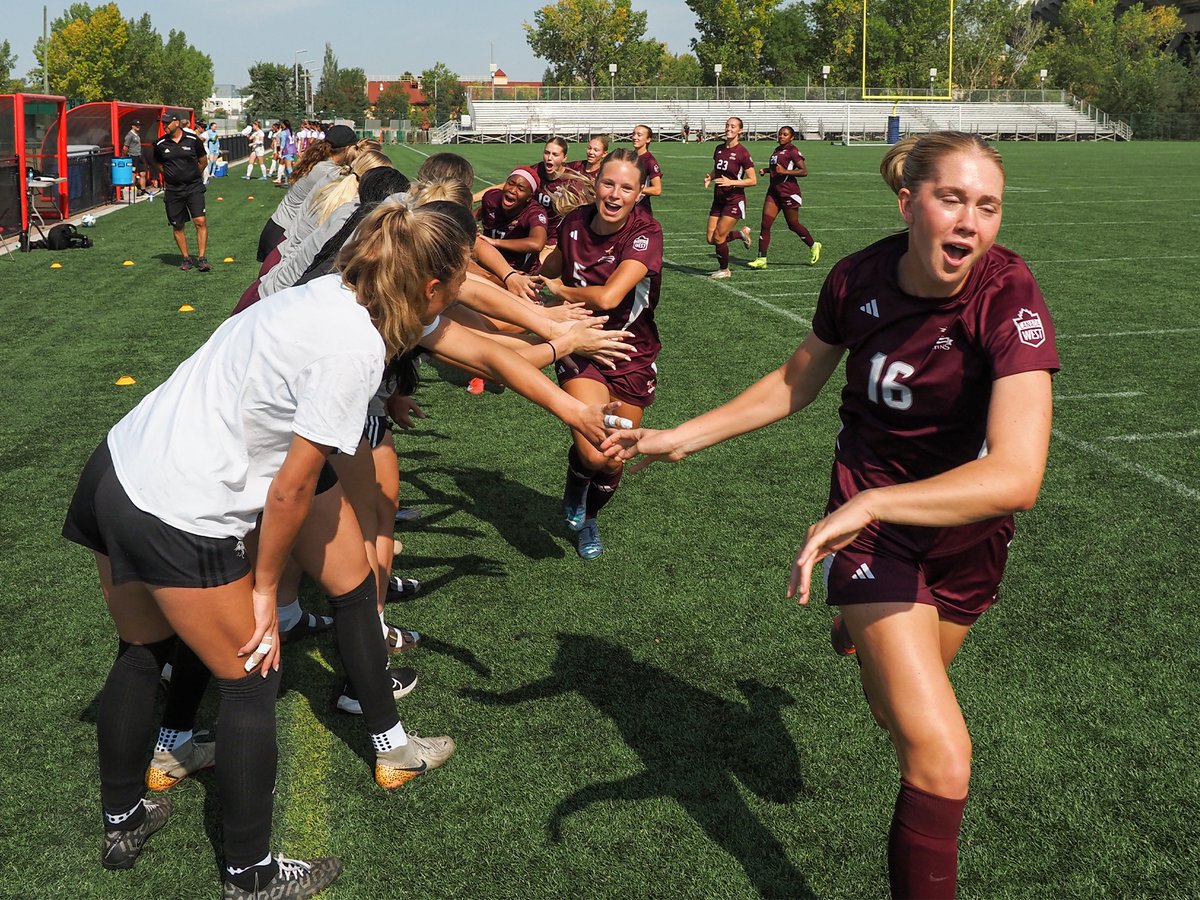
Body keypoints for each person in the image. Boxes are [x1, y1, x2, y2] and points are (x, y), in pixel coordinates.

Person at [603, 132, 1059, 899]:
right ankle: (868, 610)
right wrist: (683, 436)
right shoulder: (857, 280)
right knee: (940, 755)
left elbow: (1017, 477)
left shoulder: (1010, 294)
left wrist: (882, 501)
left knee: (892, 710)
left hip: (968, 531)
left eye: (988, 207)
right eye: (952, 199)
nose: (971, 224)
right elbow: (796, 380)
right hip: (871, 530)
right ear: (908, 201)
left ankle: (861, 627)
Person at [59, 199, 502, 898]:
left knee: (142, 651)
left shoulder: (329, 290)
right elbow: (294, 489)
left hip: (116, 470)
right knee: (252, 677)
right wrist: (264, 589)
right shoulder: (355, 349)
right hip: (179, 509)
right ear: (430, 290)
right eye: (462, 280)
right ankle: (252, 876)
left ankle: (124, 820)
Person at [535, 148, 663, 560]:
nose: (614, 194)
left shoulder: (646, 233)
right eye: (608, 183)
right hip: (582, 344)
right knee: (593, 449)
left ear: (640, 192)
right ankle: (576, 487)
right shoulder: (574, 222)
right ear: (595, 183)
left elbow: (610, 297)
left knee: (612, 457)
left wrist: (561, 292)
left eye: (626, 187)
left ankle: (590, 515)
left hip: (631, 351)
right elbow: (551, 265)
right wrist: (532, 271)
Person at [748, 126, 822, 269]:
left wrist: (785, 171)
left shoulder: (793, 151)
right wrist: (767, 170)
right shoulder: (777, 150)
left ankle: (814, 245)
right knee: (765, 224)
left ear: (791, 137)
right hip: (774, 192)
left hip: (788, 192)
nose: (781, 136)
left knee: (793, 225)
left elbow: (804, 171)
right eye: (780, 134)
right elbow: (778, 169)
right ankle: (761, 259)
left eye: (785, 134)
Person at [153, 113, 210, 272]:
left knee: (200, 221)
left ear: (176, 122)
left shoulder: (193, 141)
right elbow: (157, 164)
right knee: (178, 225)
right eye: (162, 123)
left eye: (166, 122)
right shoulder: (160, 144)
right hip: (173, 190)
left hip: (194, 187)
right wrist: (171, 176)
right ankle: (186, 258)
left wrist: (192, 175)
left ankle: (202, 258)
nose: (164, 125)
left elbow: (203, 161)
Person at [704, 116, 756, 279]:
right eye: (727, 125)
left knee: (719, 237)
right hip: (718, 199)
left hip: (734, 200)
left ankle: (724, 270)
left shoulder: (743, 153)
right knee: (711, 239)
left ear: (740, 130)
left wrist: (731, 182)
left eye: (733, 126)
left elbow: (753, 180)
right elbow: (717, 168)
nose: (729, 128)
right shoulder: (719, 148)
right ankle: (740, 234)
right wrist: (710, 177)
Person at [476, 167, 548, 276]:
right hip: (488, 263)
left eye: (521, 188)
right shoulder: (492, 198)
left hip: (518, 271)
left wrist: (495, 242)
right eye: (510, 183)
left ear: (529, 197)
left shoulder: (534, 212)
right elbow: (477, 213)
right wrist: (471, 226)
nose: (513, 190)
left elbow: (537, 244)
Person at [630, 125, 663, 212]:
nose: (635, 137)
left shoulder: (650, 161)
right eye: (633, 134)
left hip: (641, 210)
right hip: (626, 208)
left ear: (648, 139)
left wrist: (633, 189)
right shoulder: (629, 157)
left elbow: (657, 190)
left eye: (639, 135)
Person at [122, 120, 149, 194]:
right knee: (133, 173)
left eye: (139, 125)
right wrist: (124, 157)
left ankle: (143, 190)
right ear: (132, 126)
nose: (138, 127)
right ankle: (132, 190)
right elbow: (125, 147)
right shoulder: (129, 135)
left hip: (139, 155)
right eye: (137, 125)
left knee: (143, 173)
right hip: (133, 156)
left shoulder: (138, 134)